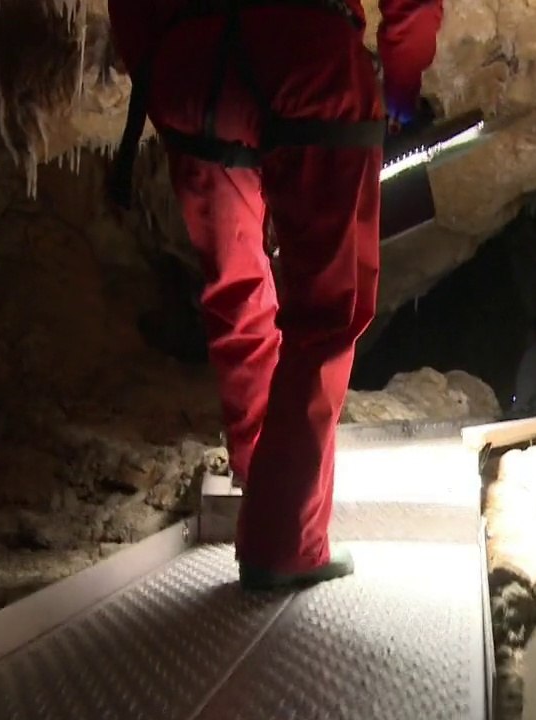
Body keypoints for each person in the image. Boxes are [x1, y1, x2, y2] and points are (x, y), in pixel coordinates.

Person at [106, 0, 444, 590]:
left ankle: (256, 470)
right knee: (325, 311)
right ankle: (284, 542)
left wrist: (159, 67)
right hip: (303, 55)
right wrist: (402, 89)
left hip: (188, 64)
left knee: (234, 286)